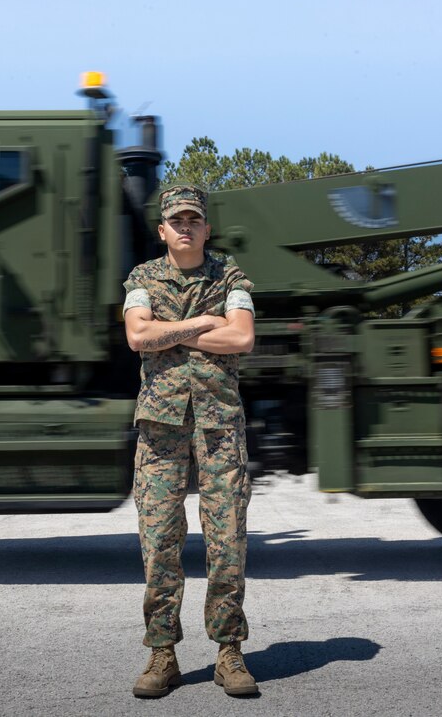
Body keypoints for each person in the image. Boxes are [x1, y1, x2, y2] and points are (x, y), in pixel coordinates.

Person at [123, 183, 258, 698]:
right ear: (162, 230)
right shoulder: (141, 278)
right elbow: (137, 336)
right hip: (160, 427)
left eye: (193, 220)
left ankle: (229, 651)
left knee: (227, 539)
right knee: (160, 541)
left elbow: (241, 337)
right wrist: (203, 321)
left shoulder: (232, 277)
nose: (185, 227)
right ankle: (162, 653)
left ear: (207, 229)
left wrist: (169, 330)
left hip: (219, 425)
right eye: (176, 221)